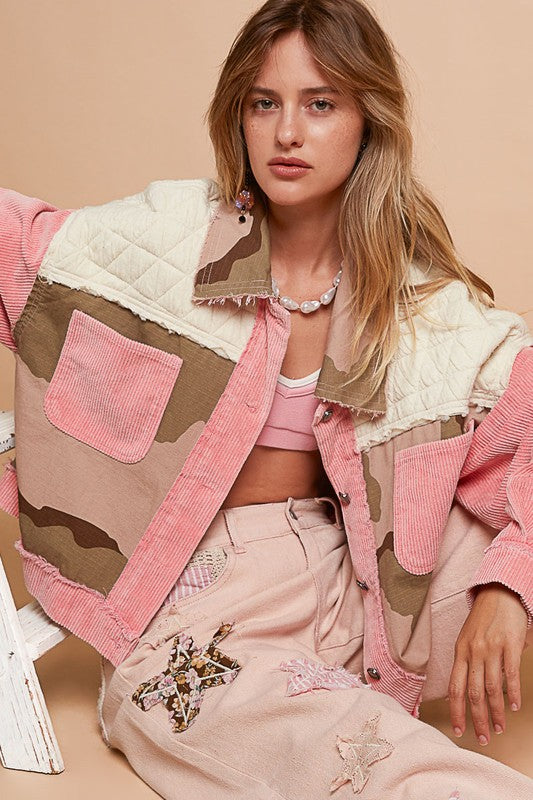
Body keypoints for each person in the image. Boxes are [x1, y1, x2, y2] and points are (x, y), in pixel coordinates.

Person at [1, 1, 531, 797]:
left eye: (319, 104)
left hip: (375, 578)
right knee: (363, 762)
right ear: (238, 117)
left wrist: (509, 583)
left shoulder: (421, 300)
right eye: (263, 102)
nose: (287, 132)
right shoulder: (160, 239)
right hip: (199, 599)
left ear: (366, 120)